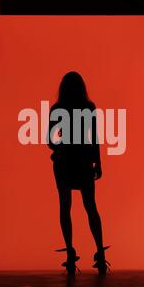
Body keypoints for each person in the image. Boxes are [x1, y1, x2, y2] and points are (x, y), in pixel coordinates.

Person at [47, 71, 110, 275]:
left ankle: (70, 254)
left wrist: (63, 146)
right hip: (83, 162)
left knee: (65, 206)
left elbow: (49, 141)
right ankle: (100, 253)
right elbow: (95, 138)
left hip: (64, 162)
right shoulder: (88, 108)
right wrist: (97, 162)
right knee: (90, 206)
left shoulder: (57, 109)